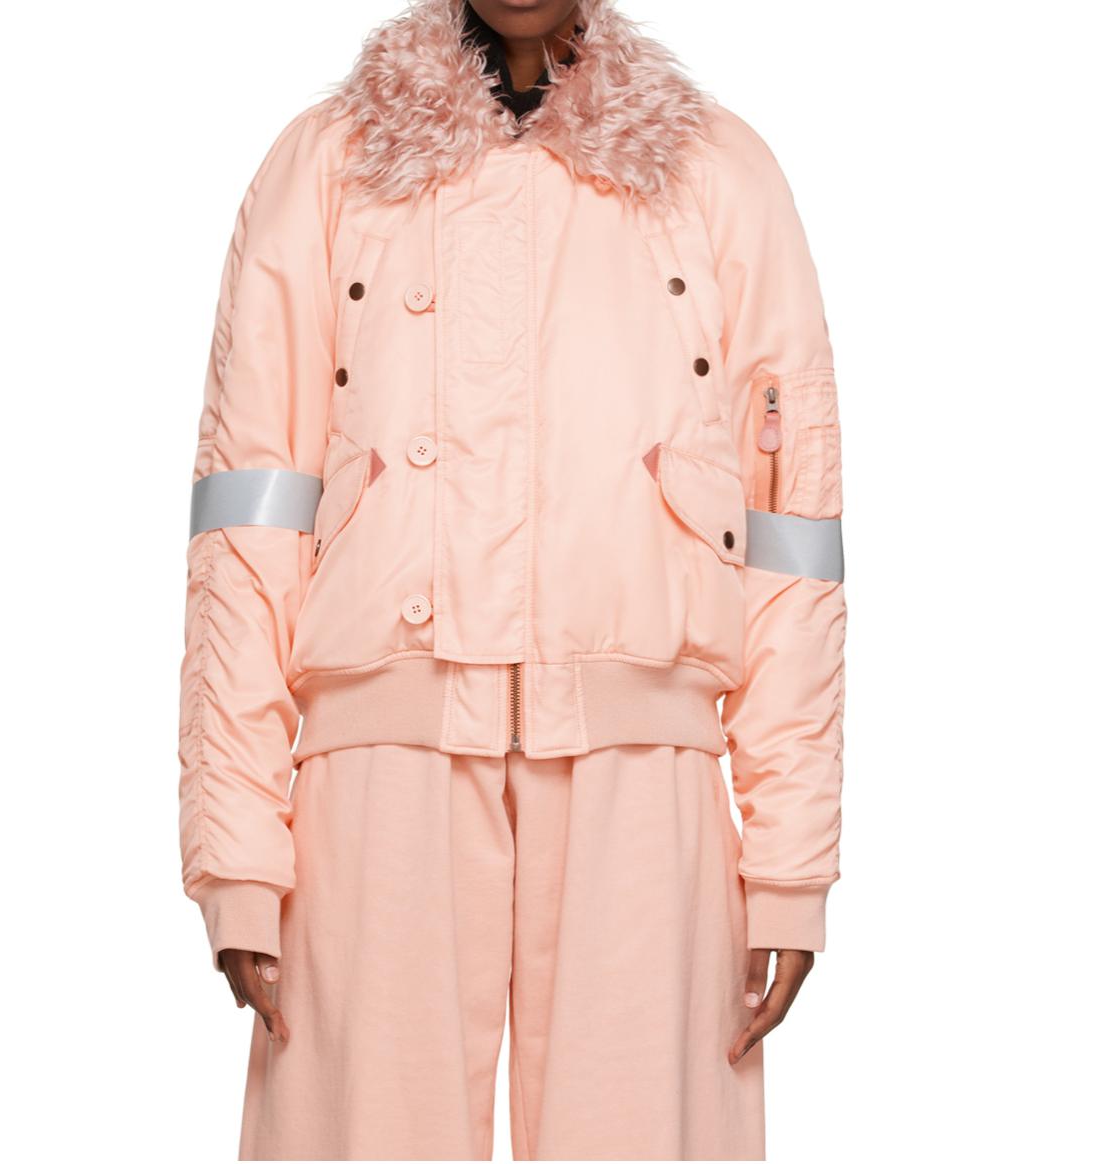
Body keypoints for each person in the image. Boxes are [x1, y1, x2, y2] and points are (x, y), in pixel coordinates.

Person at [178, 0, 846, 1158]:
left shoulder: (715, 174)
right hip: (381, 759)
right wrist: (237, 849)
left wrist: (789, 864)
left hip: (644, 760)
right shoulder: (329, 167)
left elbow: (791, 539)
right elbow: (248, 528)